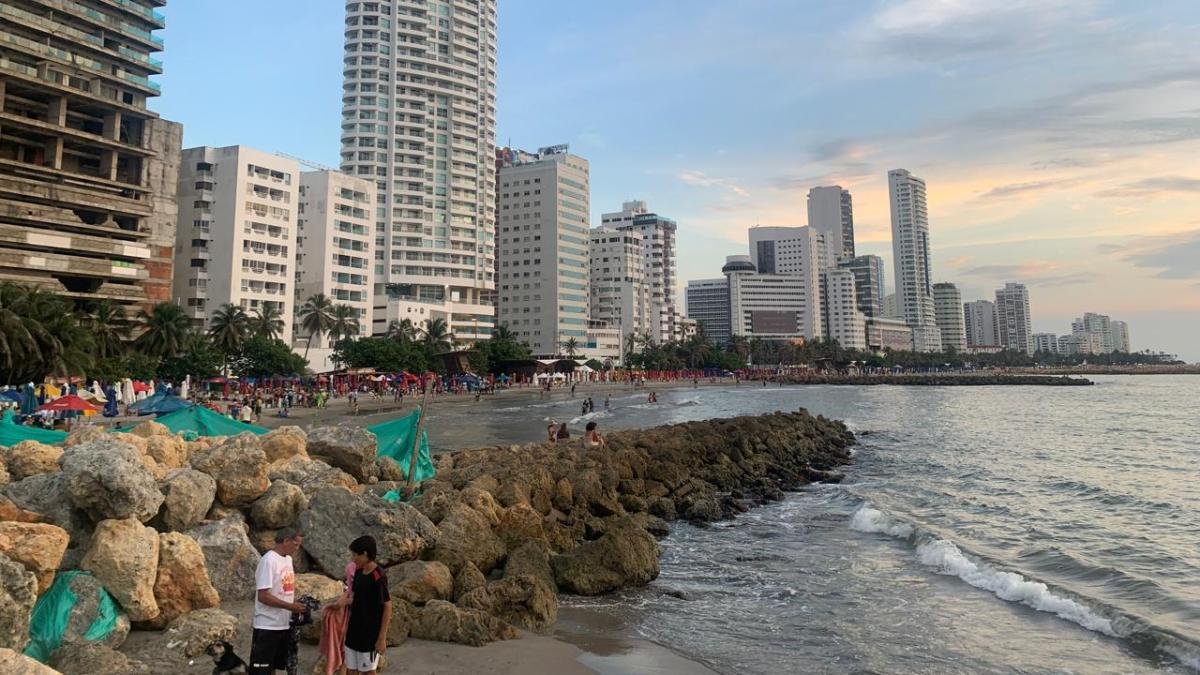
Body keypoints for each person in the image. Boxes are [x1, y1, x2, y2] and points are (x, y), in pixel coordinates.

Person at [250, 529, 306, 675]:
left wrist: (294, 603)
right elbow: (263, 596)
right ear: (286, 540)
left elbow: (282, 590)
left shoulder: (288, 560)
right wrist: (290, 606)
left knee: (273, 665)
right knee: (261, 669)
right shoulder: (268, 561)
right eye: (296, 544)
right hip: (267, 625)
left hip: (283, 624)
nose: (297, 548)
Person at [336, 536, 392, 675]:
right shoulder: (358, 571)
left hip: (369, 634)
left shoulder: (378, 576)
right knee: (351, 670)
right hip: (354, 630)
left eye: (355, 555)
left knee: (368, 671)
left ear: (365, 554)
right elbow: (357, 597)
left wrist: (381, 638)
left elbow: (387, 605)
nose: (353, 558)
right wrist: (340, 603)